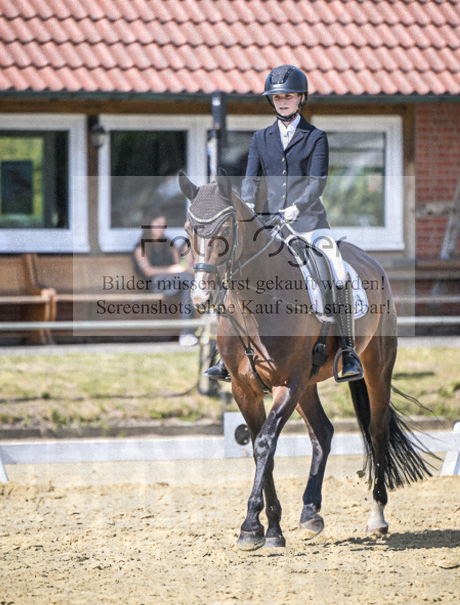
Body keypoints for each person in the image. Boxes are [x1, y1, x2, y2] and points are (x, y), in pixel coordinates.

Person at [204, 64, 363, 382]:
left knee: (338, 269)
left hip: (309, 222)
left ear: (301, 98)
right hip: (268, 225)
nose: (283, 101)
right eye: (277, 97)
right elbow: (251, 179)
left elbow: (317, 182)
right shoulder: (260, 138)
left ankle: (347, 350)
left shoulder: (315, 137)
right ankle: (224, 354)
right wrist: (248, 206)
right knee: (235, 270)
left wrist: (296, 208)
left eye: (288, 96)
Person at [133, 209, 198, 347]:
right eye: (158, 225)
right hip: (155, 284)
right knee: (188, 281)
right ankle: (187, 332)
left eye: (163, 225)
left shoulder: (169, 243)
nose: (161, 229)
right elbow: (148, 271)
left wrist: (178, 268)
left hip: (175, 282)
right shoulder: (141, 247)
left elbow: (178, 264)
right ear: (149, 226)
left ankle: (187, 333)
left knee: (188, 285)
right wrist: (171, 269)